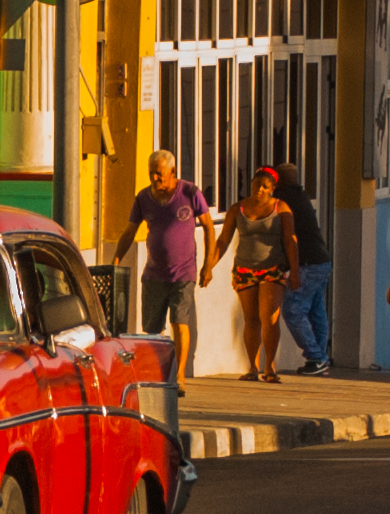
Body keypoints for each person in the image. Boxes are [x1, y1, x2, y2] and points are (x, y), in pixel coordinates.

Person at [106, 148, 214, 375]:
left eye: (159, 174)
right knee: (153, 330)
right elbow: (130, 231)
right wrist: (116, 259)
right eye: (151, 173)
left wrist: (208, 265)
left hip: (184, 273)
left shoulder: (190, 192)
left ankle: (180, 374)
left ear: (172, 171)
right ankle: (158, 373)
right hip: (154, 274)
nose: (154, 178)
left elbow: (209, 227)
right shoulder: (143, 198)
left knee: (179, 322)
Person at [206, 166, 297, 383]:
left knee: (270, 318)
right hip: (245, 268)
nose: (259, 190)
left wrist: (295, 271)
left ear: (272, 189)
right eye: (256, 185)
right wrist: (208, 267)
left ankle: (269, 366)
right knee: (251, 319)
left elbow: (290, 241)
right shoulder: (238, 209)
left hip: (272, 268)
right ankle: (252, 366)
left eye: (265, 187)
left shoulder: (281, 208)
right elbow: (223, 240)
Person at [270, 161, 335, 377]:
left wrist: (294, 270)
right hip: (322, 261)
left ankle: (315, 357)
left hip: (307, 263)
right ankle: (321, 359)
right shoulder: (302, 195)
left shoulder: (284, 199)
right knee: (317, 311)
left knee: (293, 310)